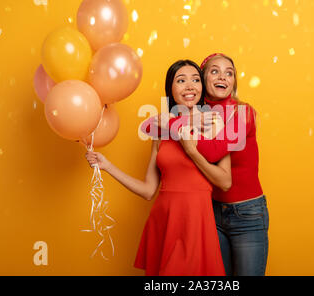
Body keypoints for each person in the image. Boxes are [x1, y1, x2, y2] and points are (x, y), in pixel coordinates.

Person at [85, 60, 231, 276]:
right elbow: (148, 190)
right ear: (171, 89)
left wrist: (190, 147)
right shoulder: (160, 129)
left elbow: (225, 182)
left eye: (196, 80)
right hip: (165, 221)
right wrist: (107, 166)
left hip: (196, 221)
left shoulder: (214, 123)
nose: (190, 86)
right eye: (181, 81)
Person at [186, 53, 270, 276]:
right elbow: (150, 127)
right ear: (203, 79)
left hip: (248, 214)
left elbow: (215, 151)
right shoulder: (197, 114)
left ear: (233, 82)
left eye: (229, 73)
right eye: (214, 71)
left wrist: (180, 128)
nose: (222, 76)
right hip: (212, 213)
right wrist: (184, 122)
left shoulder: (244, 113)